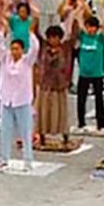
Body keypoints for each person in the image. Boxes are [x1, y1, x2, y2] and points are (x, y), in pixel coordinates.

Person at [0, 15, 40, 170]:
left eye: (17, 49)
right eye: (12, 48)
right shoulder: (5, 59)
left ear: (22, 50)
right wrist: (3, 30)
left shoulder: (27, 61)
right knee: (5, 131)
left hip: (22, 100)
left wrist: (31, 32)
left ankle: (28, 159)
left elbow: (35, 48)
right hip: (6, 99)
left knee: (26, 131)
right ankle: (4, 157)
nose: (14, 51)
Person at [35, 13, 77, 147]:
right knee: (43, 112)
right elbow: (35, 35)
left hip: (60, 86)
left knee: (61, 113)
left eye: (56, 37)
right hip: (45, 86)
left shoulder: (66, 49)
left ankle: (65, 137)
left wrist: (74, 16)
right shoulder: (42, 48)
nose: (53, 40)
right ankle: (42, 137)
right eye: (50, 37)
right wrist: (36, 19)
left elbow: (75, 34)